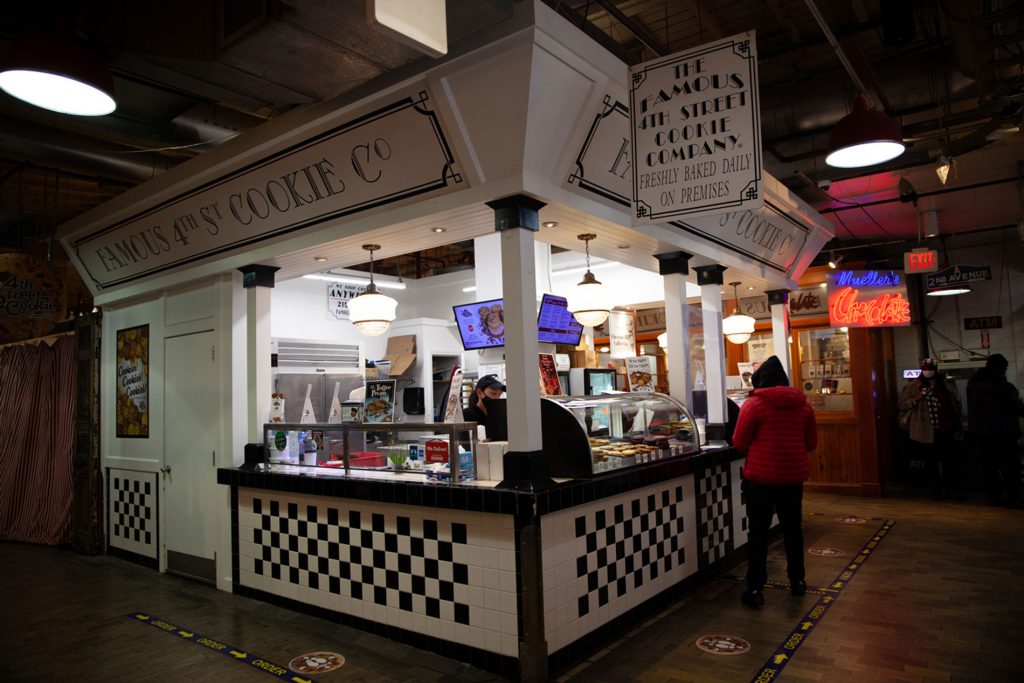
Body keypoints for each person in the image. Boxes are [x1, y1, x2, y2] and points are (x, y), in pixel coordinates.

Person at [732, 356, 817, 608]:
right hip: (792, 479)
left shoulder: (753, 405)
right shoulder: (804, 406)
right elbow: (811, 443)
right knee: (793, 530)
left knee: (758, 534)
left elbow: (739, 442)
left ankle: (756, 589)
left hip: (760, 479)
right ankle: (798, 582)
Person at [898, 358, 964, 500]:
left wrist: (958, 425)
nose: (928, 372)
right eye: (926, 369)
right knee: (931, 461)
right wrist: (916, 399)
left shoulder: (945, 385)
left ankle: (950, 489)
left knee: (949, 461)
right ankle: (936, 489)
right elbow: (902, 405)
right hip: (926, 429)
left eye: (931, 369)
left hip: (946, 428)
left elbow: (955, 405)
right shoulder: (914, 386)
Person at [967, 354, 1024, 506]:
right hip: (1003, 434)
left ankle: (995, 498)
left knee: (989, 469)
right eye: (1004, 368)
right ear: (1000, 368)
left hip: (980, 434)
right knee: (1010, 469)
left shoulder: (973, 384)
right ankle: (1014, 498)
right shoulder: (1002, 386)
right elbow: (1015, 407)